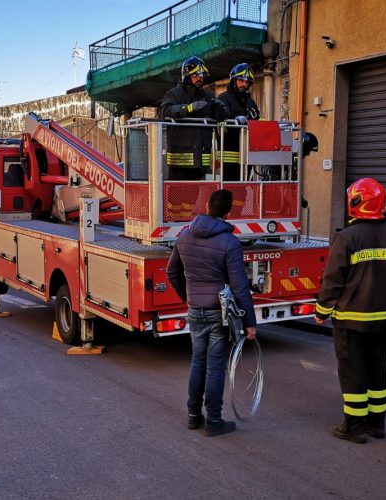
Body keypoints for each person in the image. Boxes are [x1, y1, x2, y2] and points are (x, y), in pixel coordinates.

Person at [314, 178, 386, 444]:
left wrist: (321, 311)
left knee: (353, 371)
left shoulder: (347, 238)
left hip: (350, 319)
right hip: (382, 318)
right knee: (377, 369)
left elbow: (332, 281)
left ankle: (354, 427)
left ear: (357, 203)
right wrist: (384, 294)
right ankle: (377, 424)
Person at [166, 189, 257, 437]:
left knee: (198, 361)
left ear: (206, 206)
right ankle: (214, 421)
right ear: (229, 213)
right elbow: (239, 286)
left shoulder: (184, 236)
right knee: (215, 367)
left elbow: (171, 272)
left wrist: (188, 298)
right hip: (219, 312)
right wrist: (250, 322)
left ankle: (194, 416)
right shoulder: (230, 242)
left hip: (195, 310)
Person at [159, 56, 224, 180]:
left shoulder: (208, 96)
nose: (200, 78)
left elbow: (221, 117)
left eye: (201, 75)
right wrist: (187, 109)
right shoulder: (174, 94)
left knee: (196, 199)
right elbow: (165, 111)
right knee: (177, 199)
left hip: (201, 162)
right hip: (180, 163)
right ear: (187, 76)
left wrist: (221, 110)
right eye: (196, 75)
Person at [217, 63, 261, 181]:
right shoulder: (223, 99)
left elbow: (257, 119)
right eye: (241, 80)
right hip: (229, 156)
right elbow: (220, 123)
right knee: (229, 191)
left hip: (247, 155)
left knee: (244, 191)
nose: (244, 84)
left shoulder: (250, 102)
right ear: (234, 80)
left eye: (247, 82)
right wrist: (233, 122)